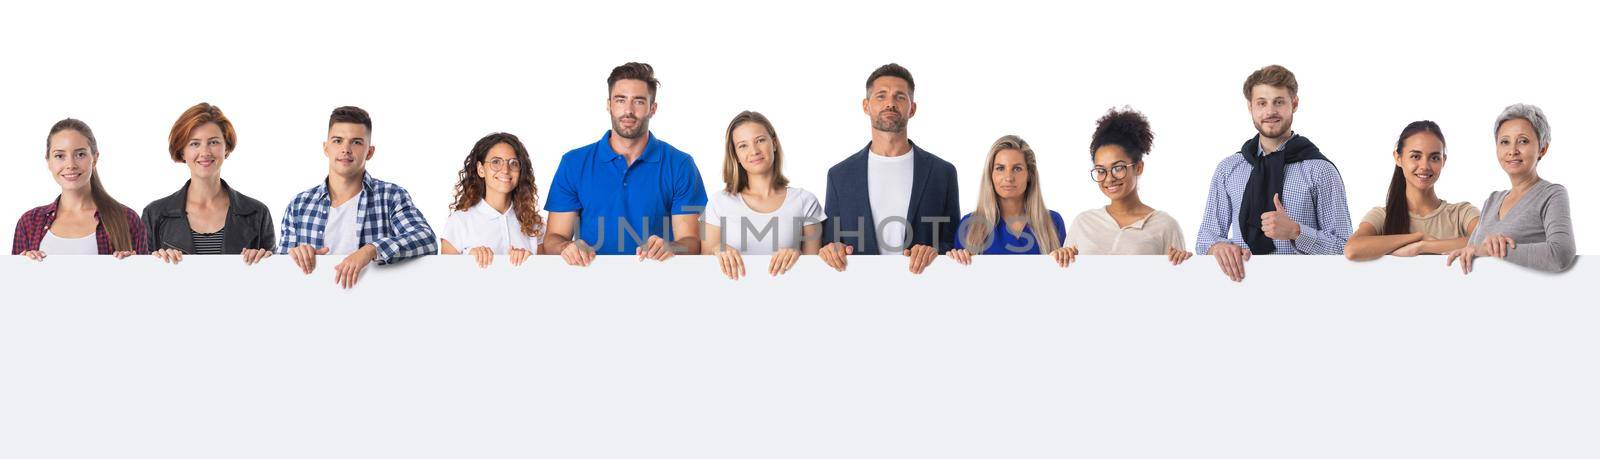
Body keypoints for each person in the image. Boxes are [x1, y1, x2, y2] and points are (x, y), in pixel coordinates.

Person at [1194, 65, 1351, 282]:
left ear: (1294, 104)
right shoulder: (1229, 169)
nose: (1270, 112)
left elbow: (1347, 249)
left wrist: (1296, 232)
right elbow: (1205, 240)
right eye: (1262, 103)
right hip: (1239, 290)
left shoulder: (1320, 170)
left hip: (1305, 290)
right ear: (1250, 106)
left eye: (1279, 101)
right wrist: (1218, 248)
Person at [542, 62, 709, 266]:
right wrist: (566, 248)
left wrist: (671, 247)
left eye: (638, 101)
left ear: (652, 108)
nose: (628, 110)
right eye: (620, 100)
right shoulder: (574, 163)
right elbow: (553, 238)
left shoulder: (680, 164)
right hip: (589, 280)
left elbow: (691, 243)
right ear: (609, 104)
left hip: (658, 281)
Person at [820, 63, 960, 274]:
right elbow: (829, 244)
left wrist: (934, 251)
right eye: (881, 96)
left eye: (900, 97)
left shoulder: (942, 173)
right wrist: (831, 250)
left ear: (912, 109)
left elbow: (953, 245)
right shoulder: (839, 176)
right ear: (866, 106)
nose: (890, 103)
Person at [276, 106, 437, 289]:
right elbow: (280, 271)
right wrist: (297, 257)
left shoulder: (391, 197)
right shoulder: (299, 205)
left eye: (356, 142)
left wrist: (371, 250)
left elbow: (427, 239)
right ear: (326, 147)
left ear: (370, 151)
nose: (345, 149)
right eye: (337, 141)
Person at [1446, 104, 1576, 273]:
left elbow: (1561, 254)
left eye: (1523, 141)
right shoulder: (1492, 200)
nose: (1512, 150)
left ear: (1542, 149)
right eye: (1505, 142)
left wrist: (1494, 251)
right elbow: (1471, 252)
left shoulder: (1552, 194)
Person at [144, 103, 276, 265]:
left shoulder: (257, 213)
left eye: (213, 142)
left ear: (226, 148)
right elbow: (141, 279)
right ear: (182, 151)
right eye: (194, 144)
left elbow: (273, 279)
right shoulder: (155, 214)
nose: (205, 152)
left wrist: (261, 261)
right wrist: (161, 261)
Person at [1063, 108, 1192, 265]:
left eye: (1118, 168)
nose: (1109, 178)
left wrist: (1185, 265)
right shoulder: (1083, 222)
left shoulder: (1165, 225)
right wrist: (1059, 258)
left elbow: (1177, 282)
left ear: (1138, 167)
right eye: (1101, 170)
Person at [703, 111, 823, 279]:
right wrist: (717, 249)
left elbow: (816, 271)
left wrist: (798, 255)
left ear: (773, 143)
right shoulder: (719, 203)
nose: (754, 151)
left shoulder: (806, 201)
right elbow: (703, 261)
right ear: (735, 155)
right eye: (743, 145)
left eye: (760, 140)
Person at [14, 119, 148, 260]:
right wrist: (23, 265)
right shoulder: (29, 222)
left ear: (94, 158)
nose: (70, 165)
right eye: (60, 156)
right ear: (48, 161)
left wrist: (132, 266)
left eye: (80, 155)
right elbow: (12, 281)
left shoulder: (127, 219)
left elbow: (145, 280)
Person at [1344, 121, 1479, 261]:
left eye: (1434, 158)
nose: (1425, 166)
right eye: (1416, 156)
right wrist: (1418, 237)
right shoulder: (1382, 216)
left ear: (1443, 161)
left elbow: (1488, 242)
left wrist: (1423, 246)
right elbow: (1353, 249)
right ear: (1398, 158)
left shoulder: (1462, 213)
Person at [945, 135, 1072, 266]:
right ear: (991, 175)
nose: (1009, 177)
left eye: (1017, 169)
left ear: (1029, 175)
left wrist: (1065, 256)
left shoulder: (1052, 222)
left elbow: (1063, 276)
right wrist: (955, 260)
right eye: (1000, 168)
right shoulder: (970, 225)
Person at [441, 132, 543, 268]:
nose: (505, 170)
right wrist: (468, 260)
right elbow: (445, 278)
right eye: (496, 162)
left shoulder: (536, 225)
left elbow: (545, 274)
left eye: (513, 163)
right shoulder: (458, 222)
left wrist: (531, 263)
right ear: (481, 169)